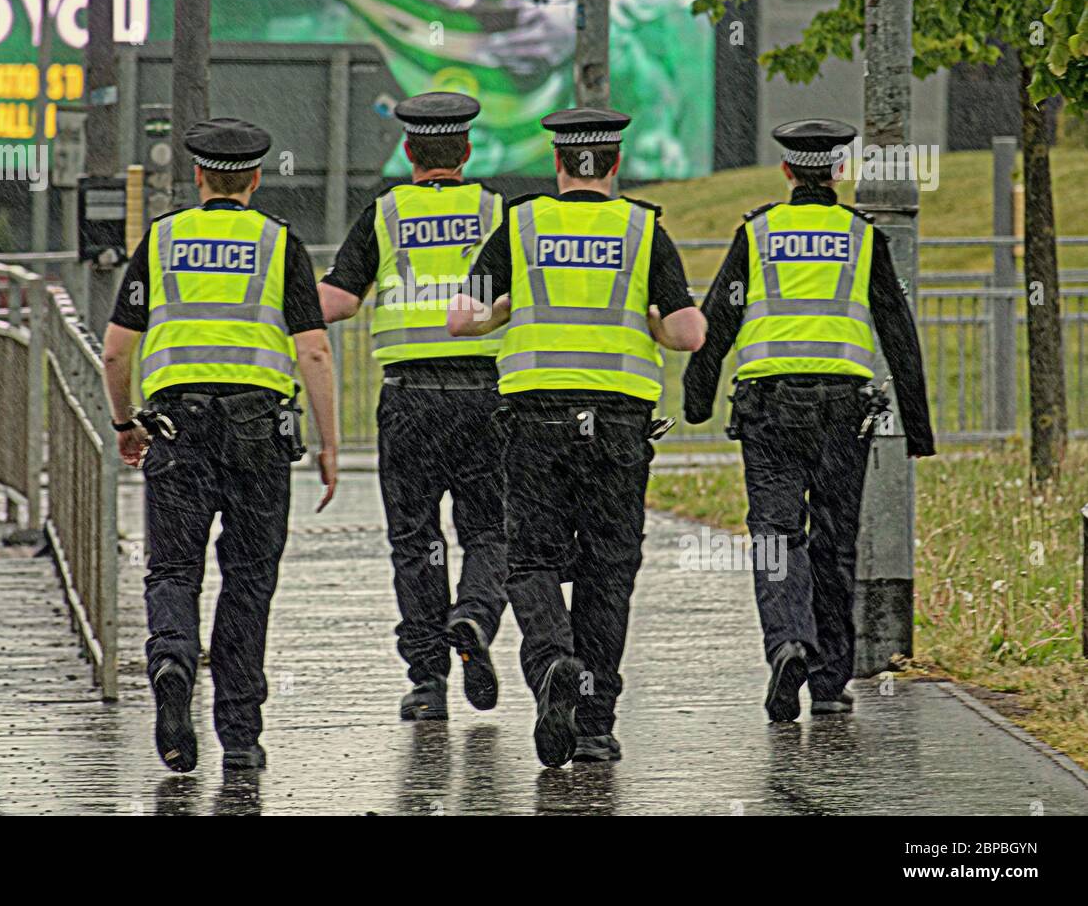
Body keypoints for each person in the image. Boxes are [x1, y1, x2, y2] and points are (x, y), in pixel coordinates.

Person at [448, 107, 706, 767]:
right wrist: (647, 319)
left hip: (536, 420)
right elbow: (689, 334)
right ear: (614, 165)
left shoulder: (522, 225)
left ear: (558, 166)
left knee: (531, 558)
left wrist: (505, 309)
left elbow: (461, 318)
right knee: (608, 570)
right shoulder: (644, 229)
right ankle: (594, 724)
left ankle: (552, 658)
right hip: (619, 425)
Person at [101, 118, 339, 773]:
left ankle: (173, 657)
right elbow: (313, 348)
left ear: (199, 177)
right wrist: (328, 443)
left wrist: (126, 425)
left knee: (174, 570)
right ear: (256, 179)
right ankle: (239, 732)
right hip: (259, 428)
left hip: (176, 427)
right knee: (249, 578)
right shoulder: (279, 243)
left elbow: (117, 349)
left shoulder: (162, 239)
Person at [682, 119, 935, 722]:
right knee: (834, 539)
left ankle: (787, 640)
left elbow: (718, 316)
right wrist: (917, 428)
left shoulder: (758, 231)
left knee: (775, 534)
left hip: (769, 406)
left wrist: (698, 398)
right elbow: (897, 331)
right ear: (838, 173)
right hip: (844, 409)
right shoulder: (861, 236)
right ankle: (827, 681)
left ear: (788, 172)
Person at [319, 92, 508, 721]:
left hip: (408, 401)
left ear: (407, 151)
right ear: (468, 151)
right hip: (486, 396)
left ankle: (428, 683)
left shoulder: (386, 214)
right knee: (488, 530)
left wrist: (260, 304)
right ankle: (475, 617)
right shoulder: (495, 212)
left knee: (415, 540)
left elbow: (340, 302)